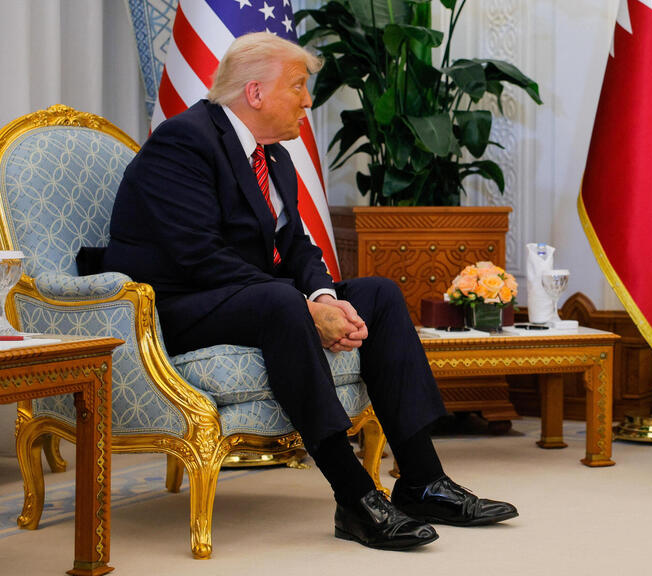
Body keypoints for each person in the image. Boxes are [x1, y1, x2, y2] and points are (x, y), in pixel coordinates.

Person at [103, 32, 517, 550]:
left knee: (381, 295)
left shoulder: (272, 156)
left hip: (245, 295)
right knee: (280, 302)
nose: (307, 100)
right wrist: (301, 307)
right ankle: (355, 497)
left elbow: (295, 245)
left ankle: (422, 480)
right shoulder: (183, 140)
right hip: (177, 304)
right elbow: (197, 255)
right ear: (254, 93)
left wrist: (322, 298)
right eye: (298, 87)